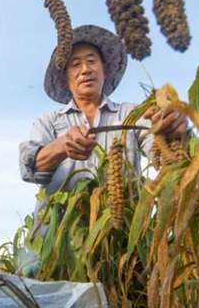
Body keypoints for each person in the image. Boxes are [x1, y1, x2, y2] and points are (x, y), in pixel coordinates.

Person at [17, 25, 187, 269]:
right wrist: (62, 146)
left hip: (122, 247)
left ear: (104, 70)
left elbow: (164, 154)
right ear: (65, 78)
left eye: (91, 61)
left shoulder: (132, 114)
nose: (85, 69)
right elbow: (29, 167)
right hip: (59, 248)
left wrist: (172, 129)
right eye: (75, 64)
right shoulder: (49, 122)